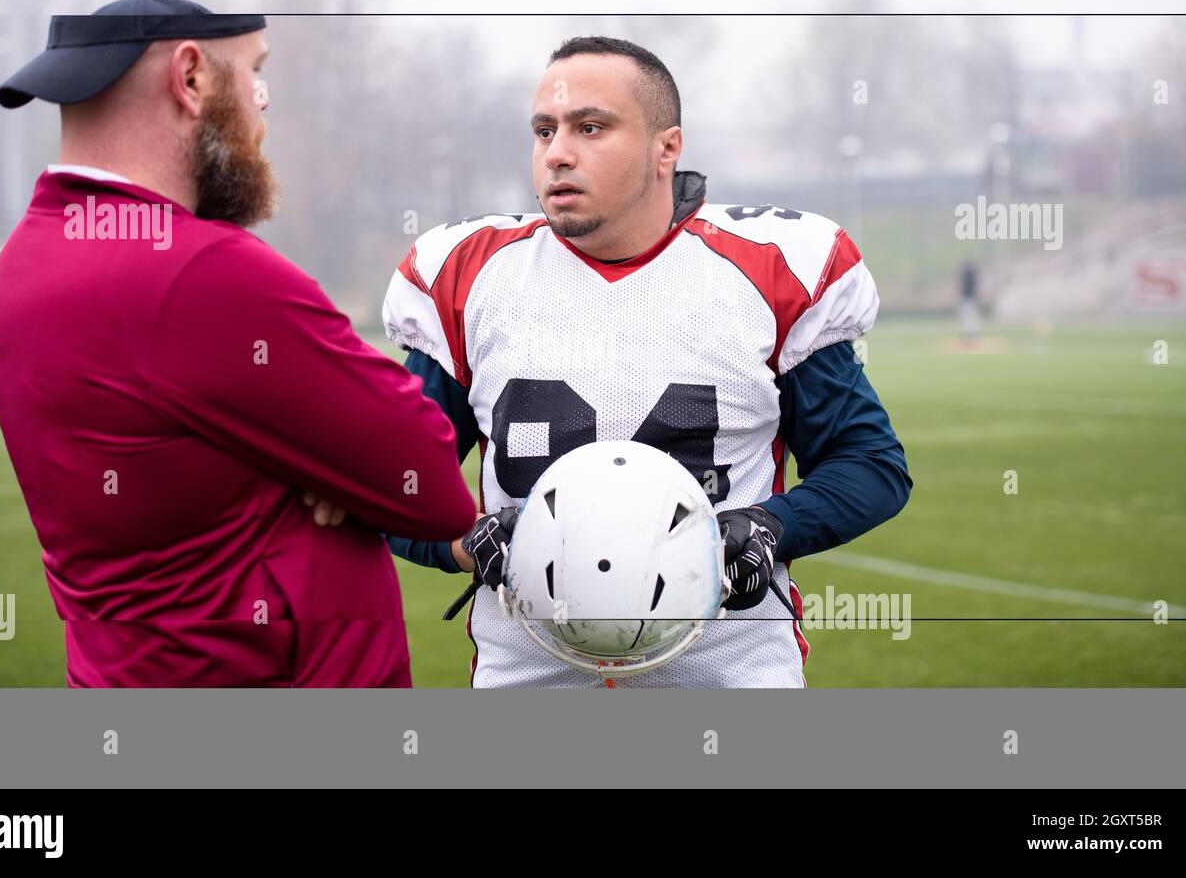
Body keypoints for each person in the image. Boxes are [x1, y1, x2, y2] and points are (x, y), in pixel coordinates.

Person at [382, 37, 912, 688]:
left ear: (667, 148)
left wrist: (773, 526)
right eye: (544, 130)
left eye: (591, 127)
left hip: (730, 678)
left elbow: (870, 465)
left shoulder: (770, 269)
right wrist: (466, 543)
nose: (557, 153)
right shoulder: (470, 276)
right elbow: (386, 482)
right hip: (527, 682)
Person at [0, 0, 475, 687]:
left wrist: (315, 469)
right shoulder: (200, 270)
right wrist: (335, 472)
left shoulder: (21, 263)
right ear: (190, 78)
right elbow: (429, 482)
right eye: (254, 73)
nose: (262, 104)